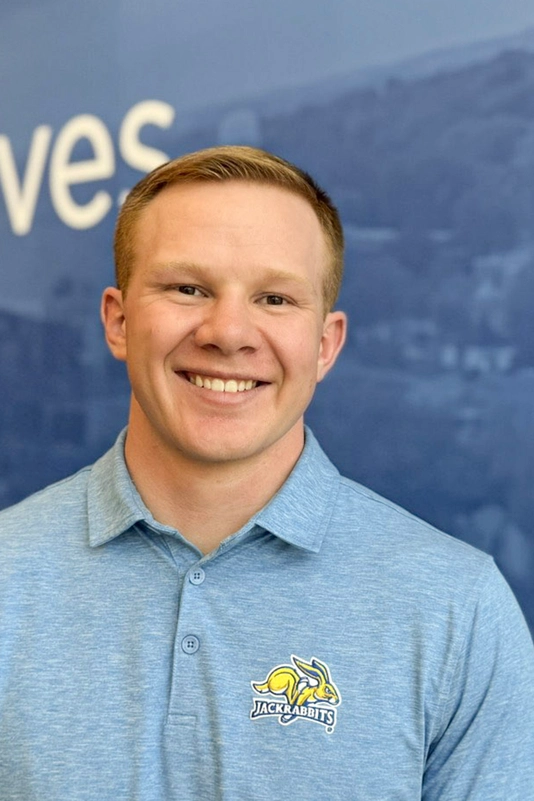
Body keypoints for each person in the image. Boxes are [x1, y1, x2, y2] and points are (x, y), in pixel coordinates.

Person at [0, 146, 533, 801]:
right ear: (118, 320)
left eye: (274, 298)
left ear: (325, 345)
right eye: (188, 288)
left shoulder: (460, 611)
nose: (228, 332)